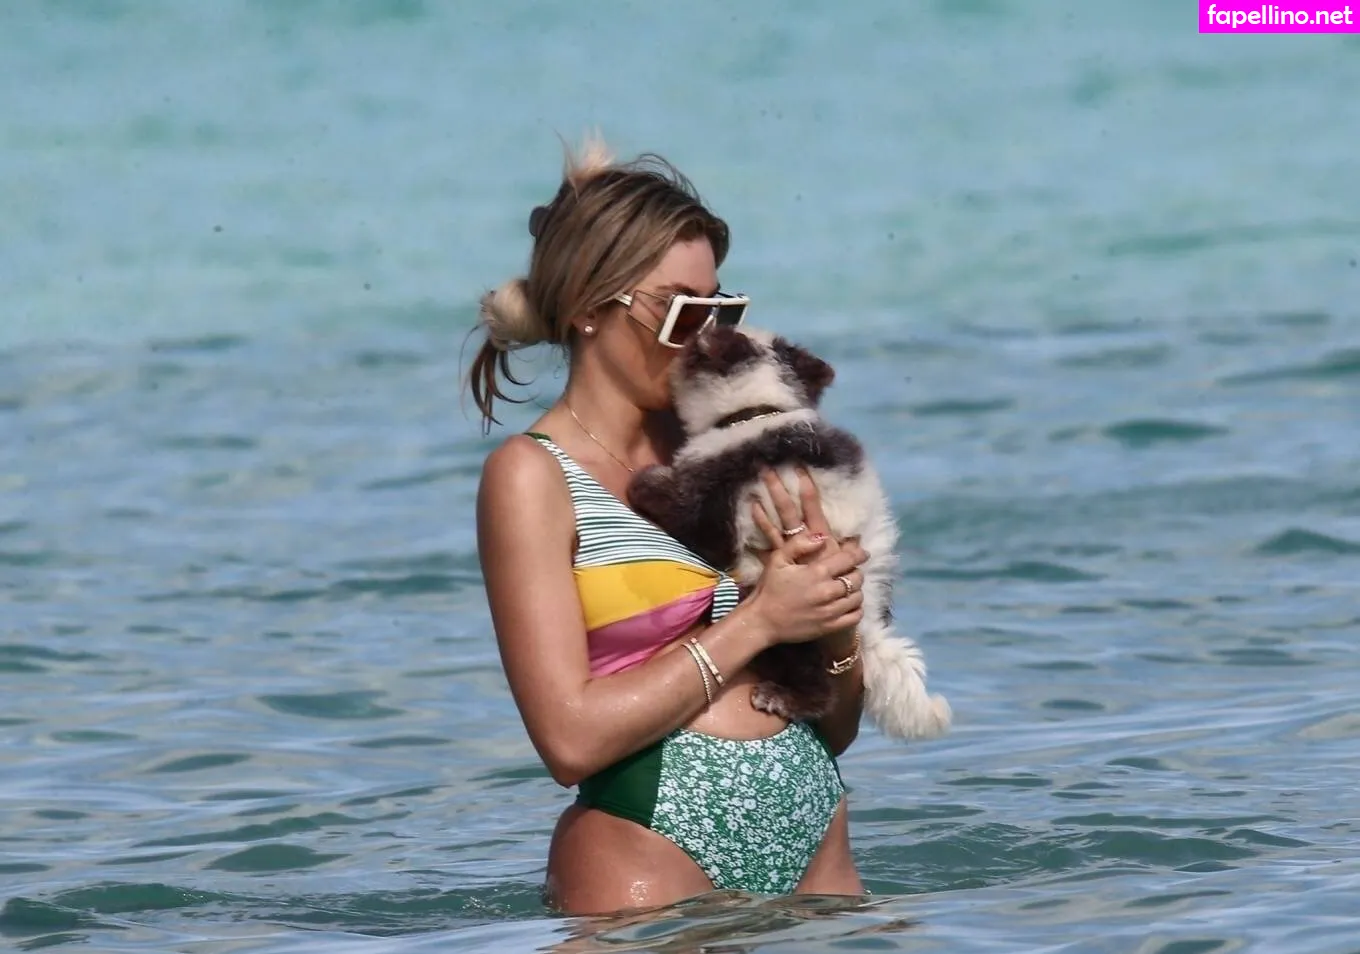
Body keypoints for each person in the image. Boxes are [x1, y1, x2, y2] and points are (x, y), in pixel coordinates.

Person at [470, 136, 872, 916]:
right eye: (684, 311)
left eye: (722, 310)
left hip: (815, 831)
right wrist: (760, 621)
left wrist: (834, 627)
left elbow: (839, 725)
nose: (710, 339)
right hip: (646, 845)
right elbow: (569, 741)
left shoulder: (732, 450)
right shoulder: (532, 477)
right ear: (588, 308)